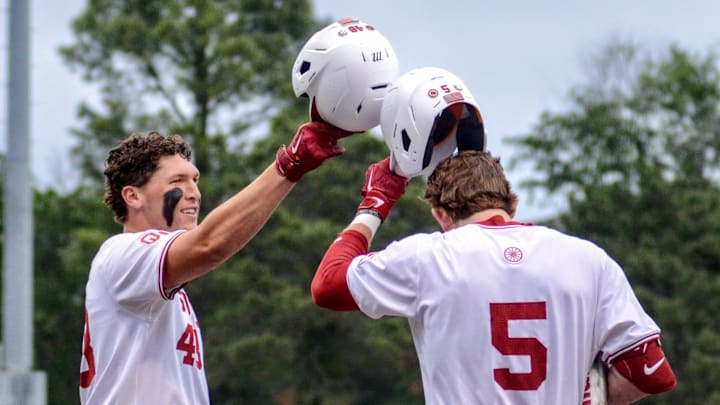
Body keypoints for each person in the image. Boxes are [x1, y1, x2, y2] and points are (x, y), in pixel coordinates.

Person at [310, 150, 677, 404]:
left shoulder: (428, 257)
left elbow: (328, 285)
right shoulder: (589, 260)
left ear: (439, 214)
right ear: (512, 203)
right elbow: (652, 372)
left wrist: (375, 204)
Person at [78, 120, 352, 404]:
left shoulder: (150, 276)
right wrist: (290, 164)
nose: (194, 192)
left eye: (194, 180)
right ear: (133, 196)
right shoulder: (123, 253)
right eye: (177, 181)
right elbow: (209, 245)